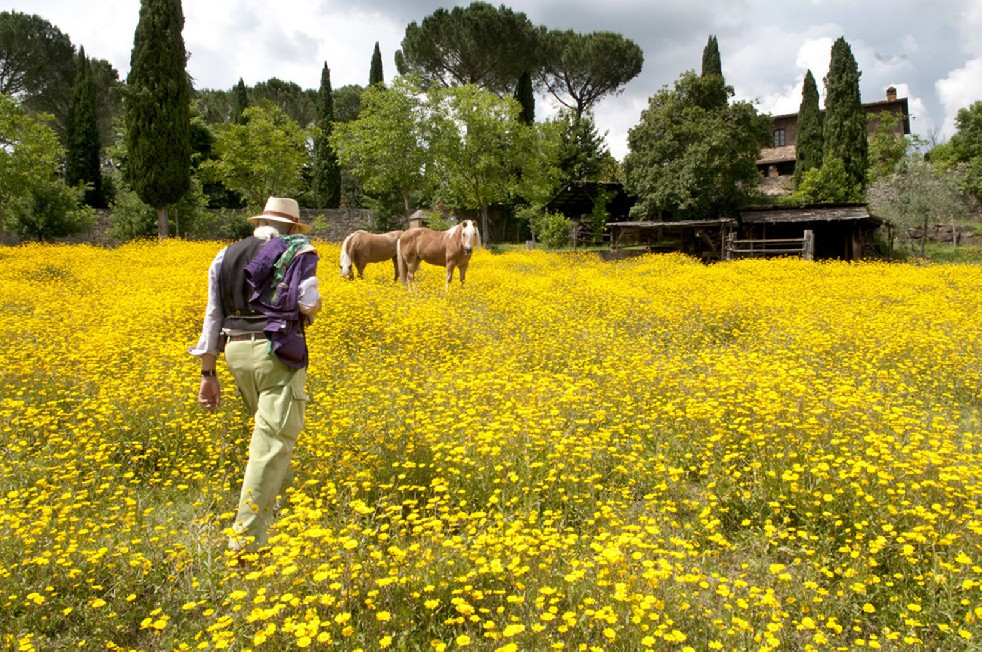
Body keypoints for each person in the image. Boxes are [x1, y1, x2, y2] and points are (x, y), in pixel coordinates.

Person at [190, 196, 321, 557]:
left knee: (267, 438)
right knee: (271, 445)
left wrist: (208, 372)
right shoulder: (297, 252)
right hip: (275, 353)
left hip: (235, 353)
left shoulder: (224, 255)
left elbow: (212, 316)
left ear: (258, 223)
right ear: (292, 227)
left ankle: (273, 514)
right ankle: (245, 543)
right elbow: (308, 302)